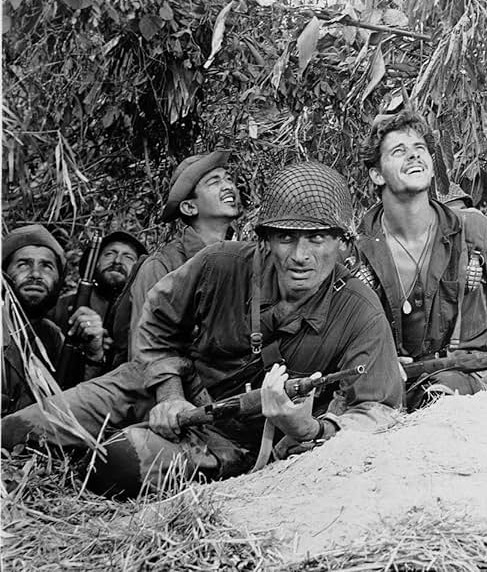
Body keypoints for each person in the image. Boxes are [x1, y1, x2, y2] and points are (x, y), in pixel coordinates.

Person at [2, 162, 404, 497]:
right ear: (264, 240)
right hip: (155, 384)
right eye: (285, 238)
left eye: (317, 239)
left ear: (342, 243)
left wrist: (309, 427)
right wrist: (170, 393)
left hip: (230, 435)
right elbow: (157, 324)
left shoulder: (360, 312)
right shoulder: (220, 264)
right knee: (15, 433)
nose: (299, 256)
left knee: (117, 462)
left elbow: (378, 410)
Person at [354, 111, 487, 407]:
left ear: (432, 169)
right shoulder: (357, 253)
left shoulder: (473, 229)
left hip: (472, 382)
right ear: (377, 174)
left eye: (420, 150)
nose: (414, 157)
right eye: (399, 151)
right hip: (393, 387)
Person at [107, 150, 241, 367]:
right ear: (189, 207)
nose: (228, 186)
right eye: (214, 182)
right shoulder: (160, 267)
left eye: (228, 178)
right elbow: (144, 356)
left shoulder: (242, 258)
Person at [2, 225, 105, 415]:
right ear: (4, 274)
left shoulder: (54, 337)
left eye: (46, 266)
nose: (35, 274)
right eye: (23, 264)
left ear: (59, 280)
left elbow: (75, 405)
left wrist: (95, 354)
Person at [50, 231, 147, 331]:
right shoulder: (62, 307)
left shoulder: (142, 316)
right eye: (109, 254)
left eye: (128, 257)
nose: (117, 261)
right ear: (96, 263)